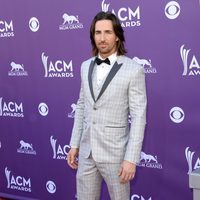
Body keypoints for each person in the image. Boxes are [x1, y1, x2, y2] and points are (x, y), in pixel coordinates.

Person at [67, 11, 147, 200]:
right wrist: (74, 144)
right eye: (97, 33)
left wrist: (130, 159)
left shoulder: (134, 70)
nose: (102, 38)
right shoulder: (85, 66)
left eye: (108, 32)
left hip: (116, 155)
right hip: (87, 154)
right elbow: (82, 105)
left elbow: (138, 117)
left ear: (117, 36)